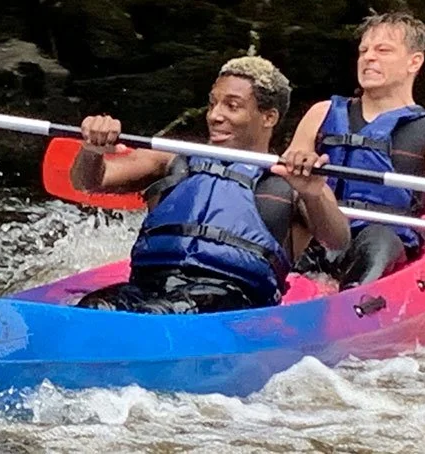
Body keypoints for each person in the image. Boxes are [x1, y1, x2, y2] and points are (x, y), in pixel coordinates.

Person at [69, 56, 352, 314]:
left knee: (161, 314)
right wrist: (92, 151)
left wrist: (313, 194)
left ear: (269, 117)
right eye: (212, 103)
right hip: (147, 285)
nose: (215, 115)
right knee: (92, 309)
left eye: (232, 106)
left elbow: (337, 241)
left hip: (230, 300)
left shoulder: (289, 181)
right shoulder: (171, 159)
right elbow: (88, 181)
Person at [281, 11, 425, 289]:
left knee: (379, 240)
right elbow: (286, 184)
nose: (368, 57)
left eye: (383, 50)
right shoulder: (321, 113)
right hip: (318, 230)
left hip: (383, 241)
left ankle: (353, 296)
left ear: (415, 61)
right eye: (363, 50)